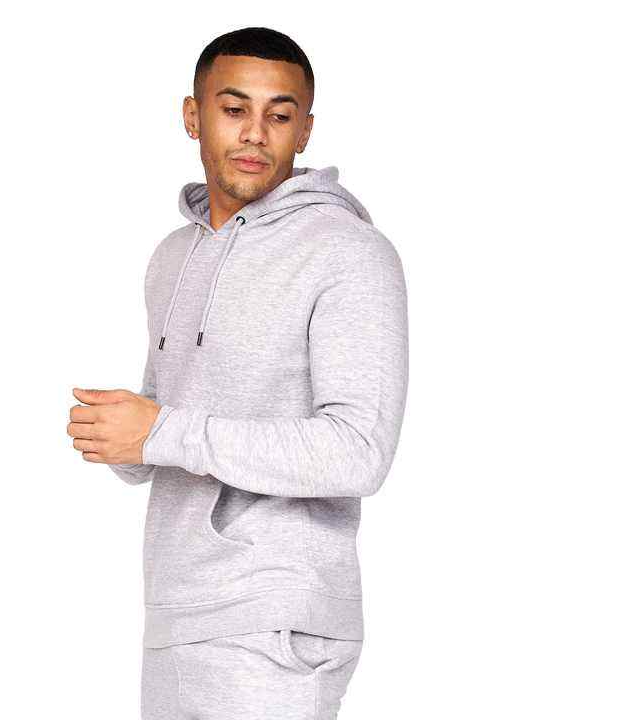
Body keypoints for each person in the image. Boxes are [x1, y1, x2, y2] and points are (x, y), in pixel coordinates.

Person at [67, 26, 409, 719]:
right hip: (175, 610)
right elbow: (167, 424)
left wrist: (162, 431)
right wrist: (122, 437)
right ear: (193, 116)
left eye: (279, 115)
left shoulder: (348, 252)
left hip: (276, 616)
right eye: (233, 109)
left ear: (304, 131)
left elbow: (359, 452)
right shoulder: (174, 255)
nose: (255, 133)